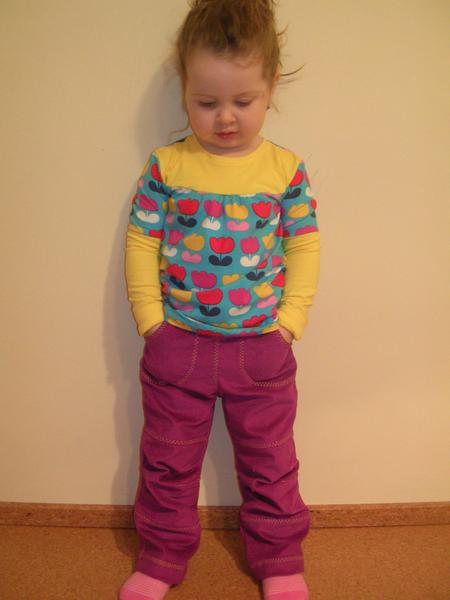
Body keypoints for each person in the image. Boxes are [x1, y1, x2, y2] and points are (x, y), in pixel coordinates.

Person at [120, 1, 320, 599]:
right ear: (184, 90)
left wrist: (290, 322)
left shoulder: (285, 171)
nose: (225, 117)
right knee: (167, 462)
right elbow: (142, 239)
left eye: (243, 100)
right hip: (177, 345)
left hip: (260, 349)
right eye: (206, 102)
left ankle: (280, 557)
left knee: (271, 462)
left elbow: (304, 245)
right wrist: (151, 321)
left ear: (270, 88)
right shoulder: (167, 165)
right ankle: (160, 557)